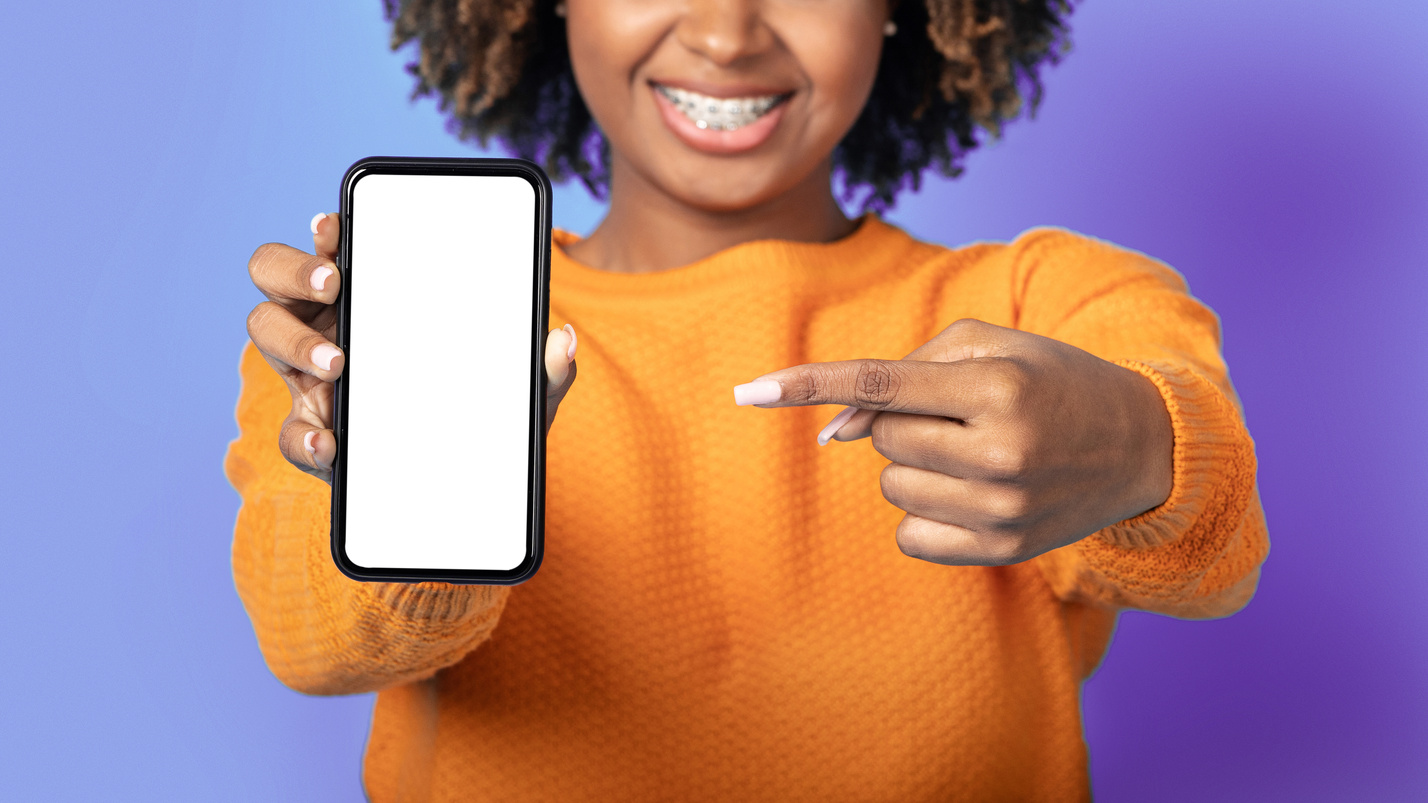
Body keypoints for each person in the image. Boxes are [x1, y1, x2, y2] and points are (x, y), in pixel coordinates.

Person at [226, 0, 1268, 799]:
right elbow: (317, 647)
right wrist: (414, 486)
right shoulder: (374, 339)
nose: (726, 36)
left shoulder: (1045, 304)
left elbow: (1218, 557)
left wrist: (1135, 445)